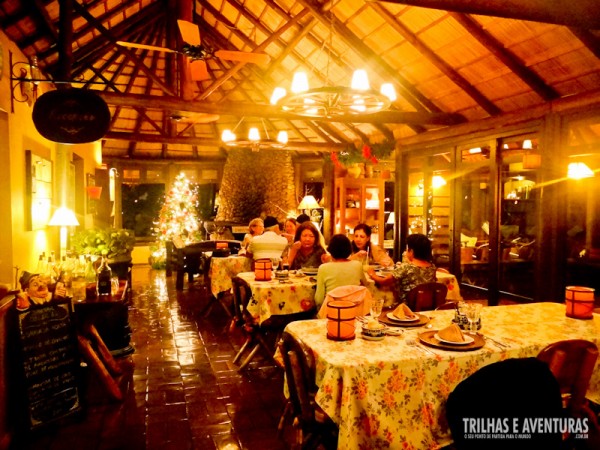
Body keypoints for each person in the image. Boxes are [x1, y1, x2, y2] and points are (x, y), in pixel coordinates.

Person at [367, 233, 436, 303]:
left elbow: (385, 281)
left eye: (407, 249)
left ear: (411, 251)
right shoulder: (432, 267)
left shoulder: (406, 267)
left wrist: (373, 275)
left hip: (407, 306)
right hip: (427, 304)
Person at [314, 234, 367, 308]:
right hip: (353, 312)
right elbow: (365, 286)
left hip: (332, 313)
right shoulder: (358, 265)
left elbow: (319, 300)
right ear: (349, 249)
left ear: (331, 250)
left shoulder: (323, 268)